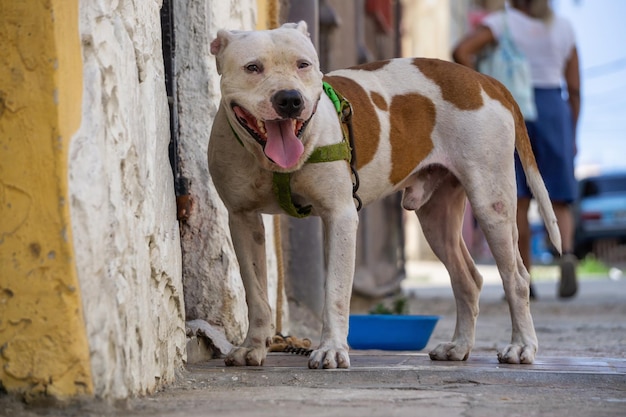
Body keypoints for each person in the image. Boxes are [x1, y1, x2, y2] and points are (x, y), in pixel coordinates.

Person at [452, 0, 581, 299]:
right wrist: (570, 130)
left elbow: (462, 51)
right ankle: (568, 254)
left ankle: (527, 278)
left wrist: (482, 88)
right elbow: (574, 87)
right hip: (553, 109)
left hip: (512, 106)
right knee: (560, 196)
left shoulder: (502, 23)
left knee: (519, 198)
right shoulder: (564, 28)